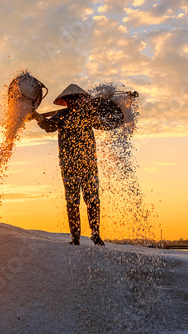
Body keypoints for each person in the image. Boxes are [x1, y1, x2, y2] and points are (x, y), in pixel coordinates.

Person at [34, 84, 123, 246]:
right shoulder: (61, 115)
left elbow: (106, 123)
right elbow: (49, 127)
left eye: (77, 99)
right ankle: (75, 238)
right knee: (72, 201)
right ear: (66, 101)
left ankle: (96, 235)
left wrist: (114, 107)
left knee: (93, 200)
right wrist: (37, 117)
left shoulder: (89, 115)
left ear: (82, 100)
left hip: (88, 164)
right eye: (71, 99)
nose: (74, 102)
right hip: (69, 165)